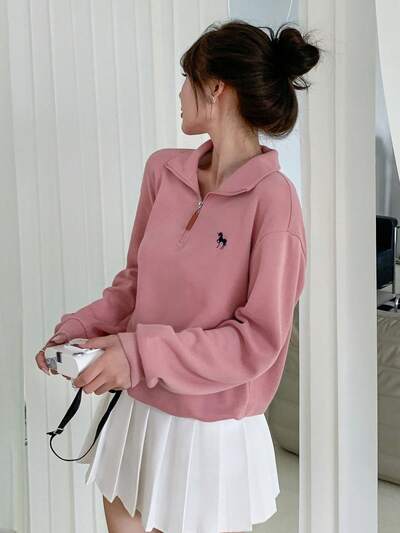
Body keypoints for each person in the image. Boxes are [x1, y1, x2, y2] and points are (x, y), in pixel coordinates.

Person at [36, 19, 321, 533]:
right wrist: (79, 328)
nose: (181, 92)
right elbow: (136, 282)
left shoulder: (274, 202)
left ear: (216, 87)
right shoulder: (163, 171)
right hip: (138, 410)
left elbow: (257, 340)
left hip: (209, 432)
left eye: (187, 78)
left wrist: (139, 354)